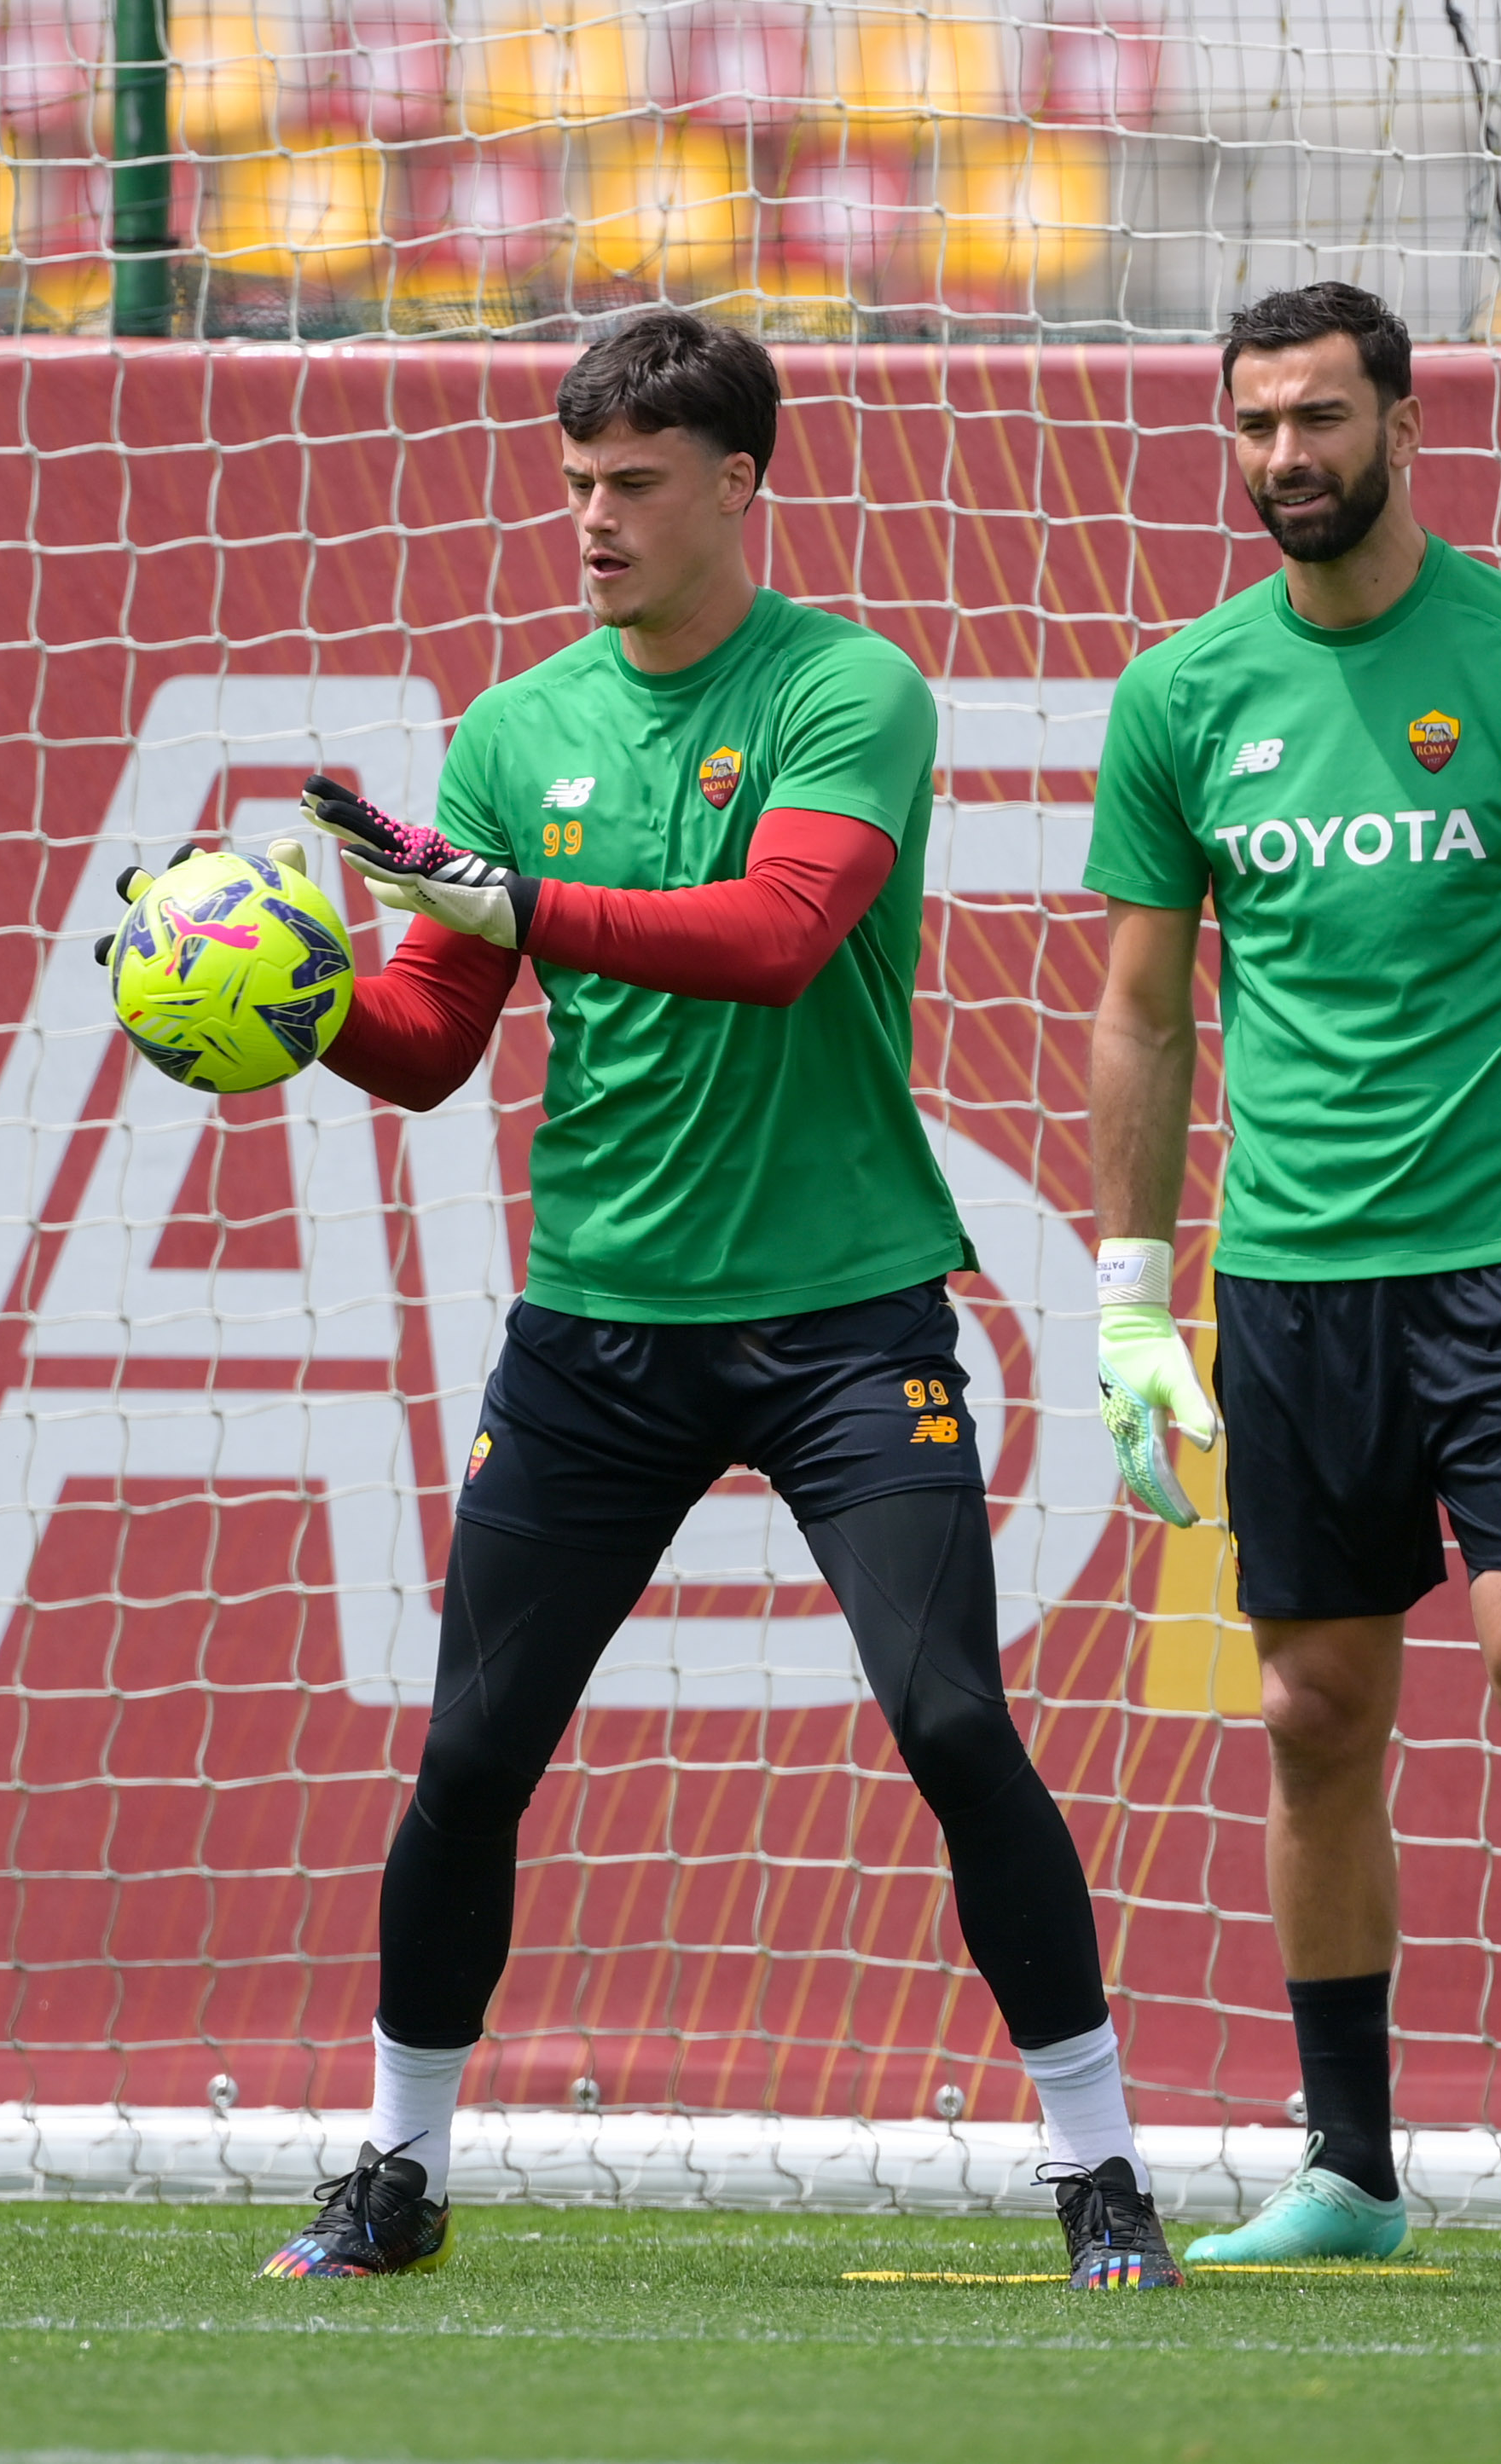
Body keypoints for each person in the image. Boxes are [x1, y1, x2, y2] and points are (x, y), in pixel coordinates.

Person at [142, 308, 1178, 2290]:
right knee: (470, 1754)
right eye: (575, 482)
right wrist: (274, 1014)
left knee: (954, 1714)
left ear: (736, 487)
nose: (593, 520)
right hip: (595, 1328)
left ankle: (1099, 2168)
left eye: (632, 484)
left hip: (845, 1314)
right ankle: (399, 2167)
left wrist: (510, 901)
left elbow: (780, 936)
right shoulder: (517, 726)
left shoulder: (849, 688)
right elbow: (435, 1039)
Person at [1079, 281, 1501, 2274]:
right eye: (1251, 426)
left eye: (1315, 418)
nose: (1283, 457)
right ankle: (1351, 2164)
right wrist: (1132, 1296)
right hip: (1292, 1286)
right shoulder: (1181, 695)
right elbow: (1139, 1014)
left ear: (1397, 418)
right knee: (1309, 1710)